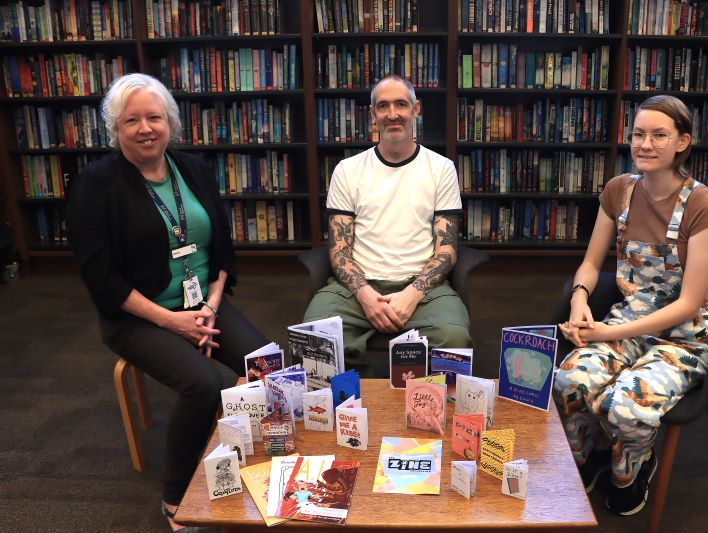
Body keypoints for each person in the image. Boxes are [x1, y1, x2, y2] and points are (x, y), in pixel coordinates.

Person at [66, 73, 269, 532]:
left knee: (266, 362)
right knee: (203, 385)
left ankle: (258, 454)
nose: (145, 128)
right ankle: (175, 496)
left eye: (154, 117)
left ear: (170, 122)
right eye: (131, 120)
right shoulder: (95, 186)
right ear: (116, 129)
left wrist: (211, 308)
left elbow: (222, 252)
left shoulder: (193, 168)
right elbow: (102, 281)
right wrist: (173, 322)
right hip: (136, 316)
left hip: (201, 305)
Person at [553, 95, 708, 516]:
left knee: (625, 405)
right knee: (569, 379)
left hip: (684, 335)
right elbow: (591, 263)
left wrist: (606, 333)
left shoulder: (703, 204)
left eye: (659, 135)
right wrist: (580, 301)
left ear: (682, 142)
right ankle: (591, 455)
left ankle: (632, 467)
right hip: (632, 315)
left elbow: (688, 304)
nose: (645, 144)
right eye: (639, 134)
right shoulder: (619, 191)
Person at [303, 74, 471, 375]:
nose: (392, 114)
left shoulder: (441, 168)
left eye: (401, 105)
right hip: (358, 287)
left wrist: (412, 294)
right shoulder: (347, 170)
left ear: (415, 109)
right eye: (383, 106)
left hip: (423, 288)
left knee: (454, 339)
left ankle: (434, 415)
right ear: (373, 114)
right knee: (314, 338)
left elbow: (447, 249)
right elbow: (339, 250)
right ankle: (346, 414)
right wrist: (366, 296)